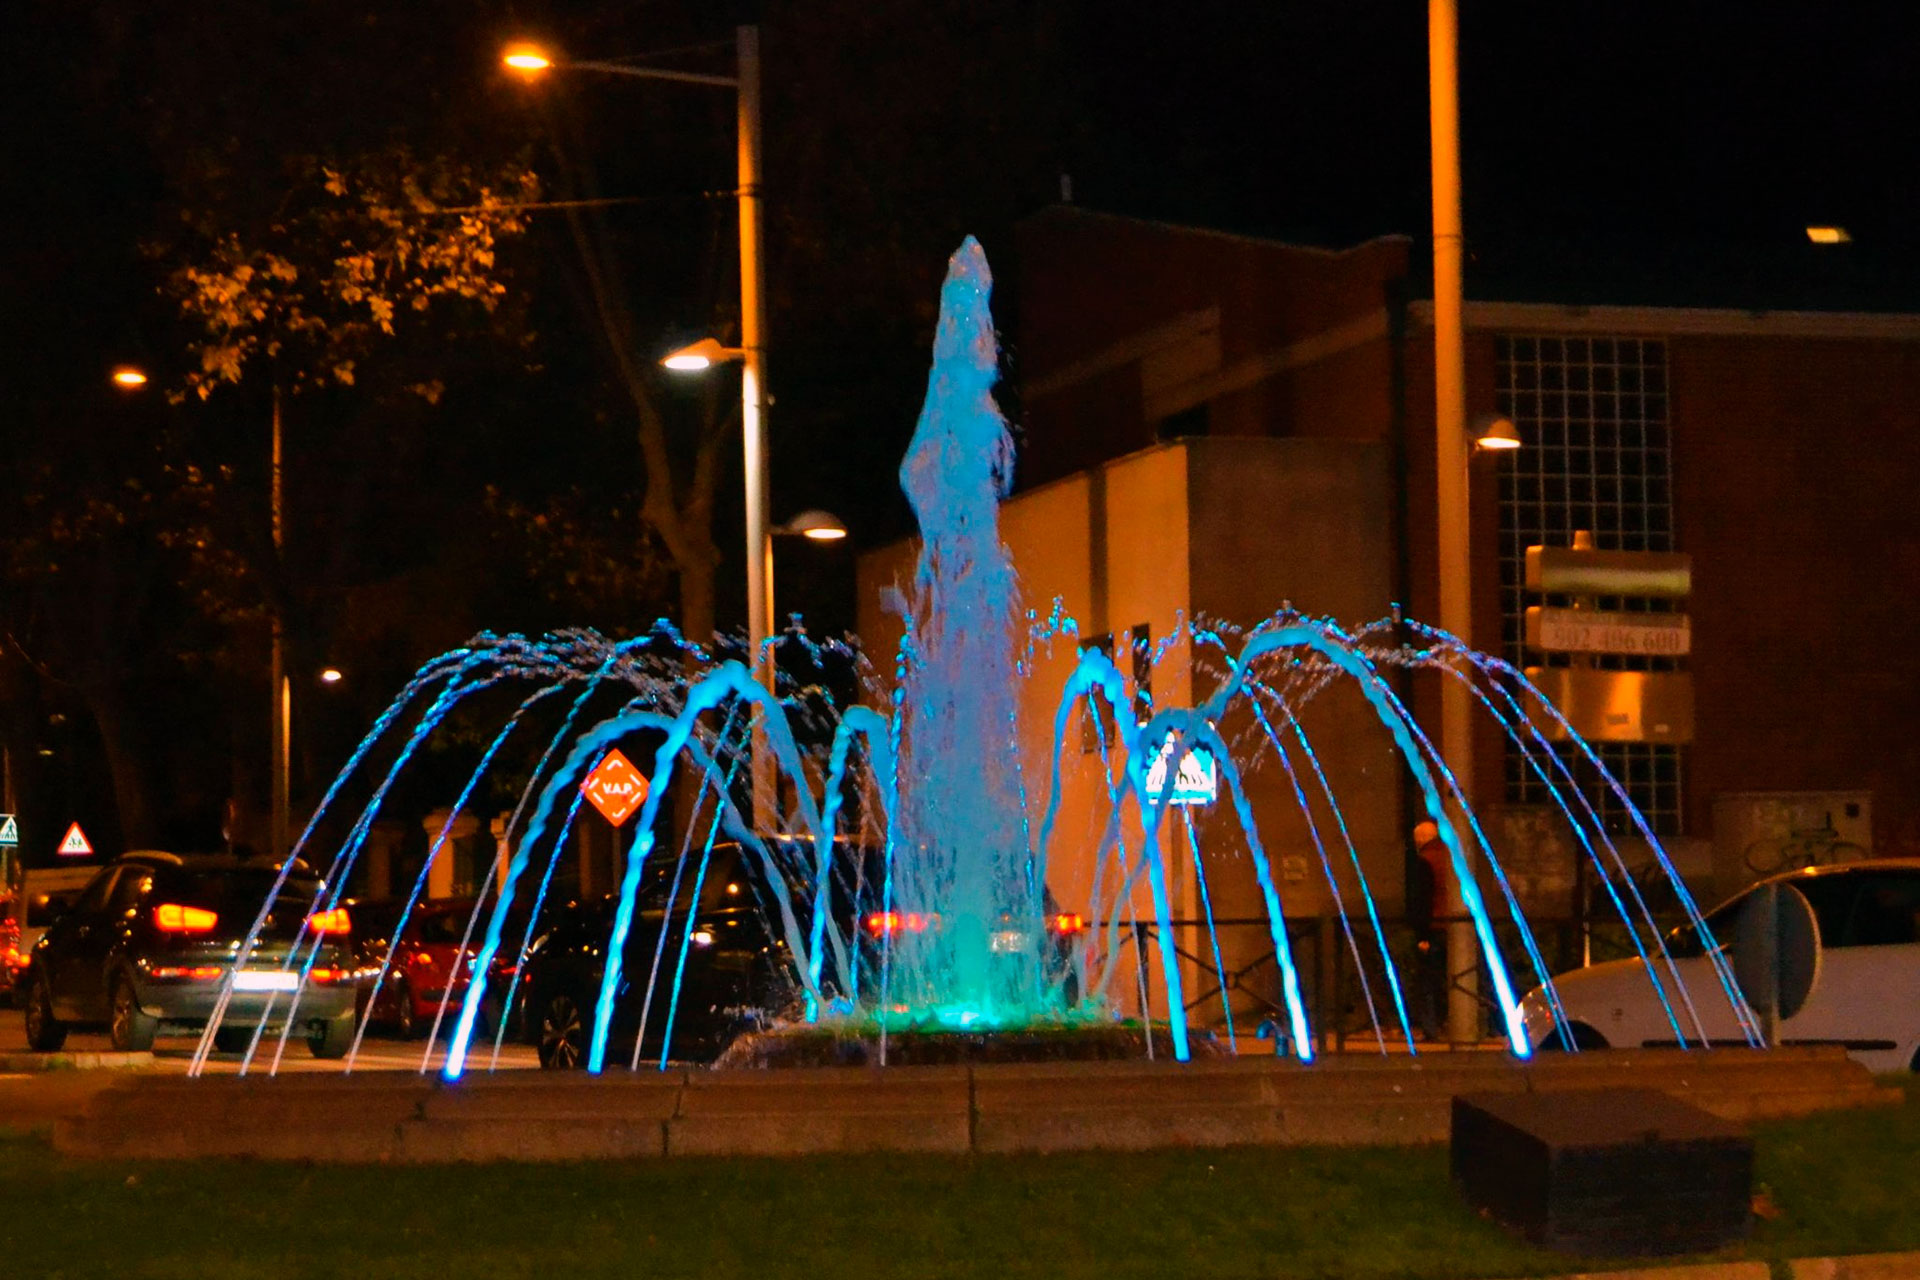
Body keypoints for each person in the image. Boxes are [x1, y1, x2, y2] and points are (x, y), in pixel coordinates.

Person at [1404, 819, 1451, 1042]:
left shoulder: (1425, 861)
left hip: (1434, 928)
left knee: (1428, 982)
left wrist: (1421, 935)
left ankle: (1432, 1029)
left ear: (1421, 839)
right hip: (1455, 929)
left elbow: (1422, 900)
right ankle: (1450, 1024)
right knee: (1450, 980)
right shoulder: (1451, 858)